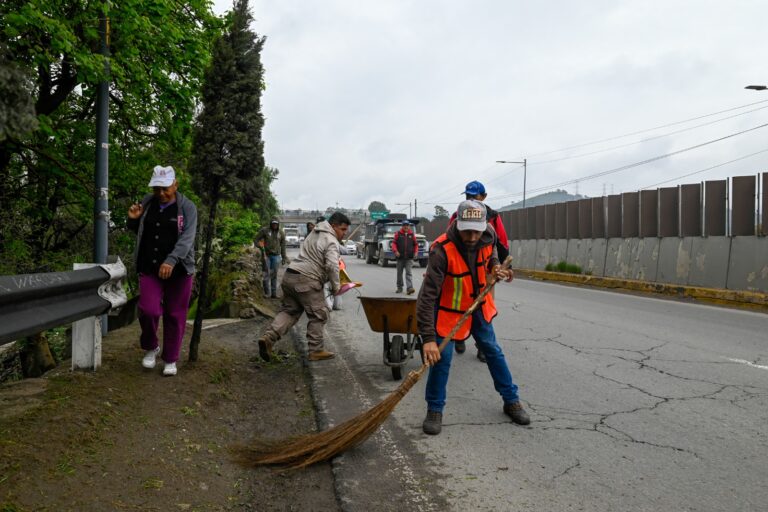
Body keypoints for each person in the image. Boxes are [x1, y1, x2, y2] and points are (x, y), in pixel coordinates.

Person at [417, 199, 529, 435]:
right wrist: (428, 338)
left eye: (475, 231)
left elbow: (492, 257)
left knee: (492, 350)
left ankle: (511, 400)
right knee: (442, 358)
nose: (471, 237)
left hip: (478, 305)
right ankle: (434, 409)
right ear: (457, 224)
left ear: (483, 227)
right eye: (466, 230)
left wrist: (498, 269)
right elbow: (426, 298)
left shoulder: (488, 234)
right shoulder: (441, 249)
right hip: (448, 311)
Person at [127, 165, 197, 377]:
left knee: (175, 314)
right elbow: (139, 232)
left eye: (165, 188)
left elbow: (187, 238)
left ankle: (170, 358)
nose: (161, 193)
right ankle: (151, 346)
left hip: (179, 270)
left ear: (175, 185)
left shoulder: (187, 208)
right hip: (149, 266)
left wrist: (172, 260)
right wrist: (133, 219)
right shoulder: (148, 203)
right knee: (148, 310)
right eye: (157, 188)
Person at [257, 212, 351, 362]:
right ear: (333, 226)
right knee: (319, 314)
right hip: (307, 279)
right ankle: (316, 350)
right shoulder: (331, 240)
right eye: (343, 229)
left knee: (289, 311)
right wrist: (336, 287)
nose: (344, 233)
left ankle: (268, 337)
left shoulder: (314, 233)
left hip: (290, 276)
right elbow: (333, 266)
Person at [450, 180, 510, 362]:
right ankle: (459, 336)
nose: (471, 199)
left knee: (485, 307)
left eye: (474, 196)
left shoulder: (492, 216)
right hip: (462, 267)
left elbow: (501, 240)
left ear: (484, 197)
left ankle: (482, 346)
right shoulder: (458, 214)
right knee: (460, 302)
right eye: (468, 196)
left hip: (486, 267)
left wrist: (500, 265)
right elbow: (450, 237)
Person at [255, 218, 287, 299]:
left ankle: (273, 293)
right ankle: (267, 293)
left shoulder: (281, 233)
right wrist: (259, 246)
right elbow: (256, 239)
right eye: (273, 223)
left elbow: (283, 246)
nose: (274, 225)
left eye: (276, 224)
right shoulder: (265, 230)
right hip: (266, 255)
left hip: (276, 256)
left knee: (274, 275)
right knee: (266, 273)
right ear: (271, 223)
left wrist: (284, 257)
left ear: (278, 224)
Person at [393, 220, 418, 294]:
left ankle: (409, 288)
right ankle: (399, 288)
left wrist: (416, 252)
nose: (406, 226)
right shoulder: (398, 233)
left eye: (407, 225)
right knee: (399, 273)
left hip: (409, 258)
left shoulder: (412, 234)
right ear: (402, 226)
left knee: (408, 273)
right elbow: (394, 243)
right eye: (404, 225)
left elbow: (416, 244)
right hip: (400, 257)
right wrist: (395, 251)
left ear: (409, 226)